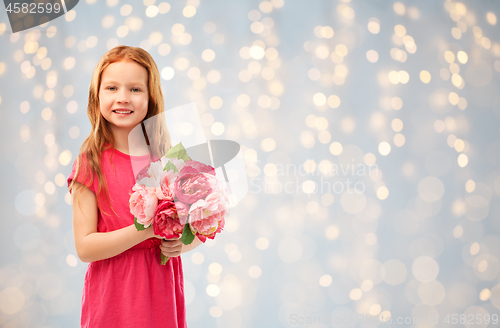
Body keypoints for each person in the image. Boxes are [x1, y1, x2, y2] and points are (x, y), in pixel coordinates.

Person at [67, 45, 202, 328]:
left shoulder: (171, 158)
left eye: (135, 89)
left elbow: (198, 229)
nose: (123, 98)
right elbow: (85, 247)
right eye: (112, 88)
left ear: (151, 96)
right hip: (114, 297)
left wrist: (182, 243)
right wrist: (148, 229)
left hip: (161, 292)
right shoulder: (90, 162)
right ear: (97, 95)